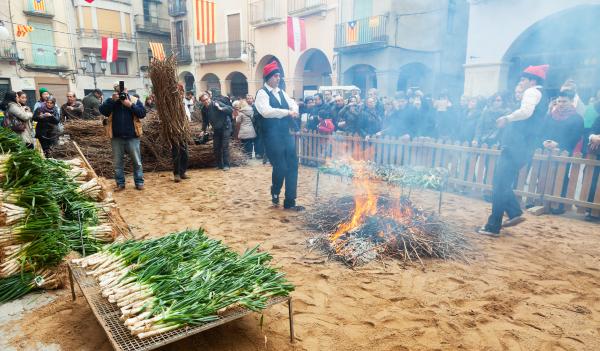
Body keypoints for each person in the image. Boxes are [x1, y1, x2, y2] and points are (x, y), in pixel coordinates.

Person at [478, 64, 549, 237]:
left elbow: (525, 111)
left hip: (516, 147)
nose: (521, 82)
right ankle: (514, 212)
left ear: (532, 80)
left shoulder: (532, 92)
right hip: (522, 147)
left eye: (523, 79)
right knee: (501, 184)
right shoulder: (541, 94)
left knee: (499, 186)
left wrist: (507, 118)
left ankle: (493, 226)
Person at [255, 60, 303, 211]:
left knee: (293, 165)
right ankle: (275, 191)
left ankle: (290, 201)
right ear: (268, 77)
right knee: (281, 167)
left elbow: (292, 103)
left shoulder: (281, 92)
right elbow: (266, 112)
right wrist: (287, 112)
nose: (278, 78)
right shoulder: (262, 93)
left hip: (285, 134)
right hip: (271, 137)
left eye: (279, 76)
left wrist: (294, 109)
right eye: (276, 76)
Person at [99, 82, 147, 191]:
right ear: (114, 91)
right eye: (118, 90)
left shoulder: (134, 100)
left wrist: (130, 104)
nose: (121, 92)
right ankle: (120, 184)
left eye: (122, 90)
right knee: (117, 163)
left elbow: (142, 113)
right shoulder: (111, 101)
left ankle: (139, 182)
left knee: (137, 162)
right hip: (116, 137)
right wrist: (112, 101)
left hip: (132, 136)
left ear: (127, 90)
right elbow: (102, 111)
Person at [200, 91, 233, 170]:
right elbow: (205, 121)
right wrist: (203, 130)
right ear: (201, 101)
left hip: (226, 127)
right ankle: (219, 165)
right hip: (216, 129)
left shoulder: (216, 104)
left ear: (209, 98)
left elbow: (230, 109)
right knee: (216, 147)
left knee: (224, 146)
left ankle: (226, 165)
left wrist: (221, 108)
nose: (206, 101)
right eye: (203, 100)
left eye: (206, 99)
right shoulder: (203, 109)